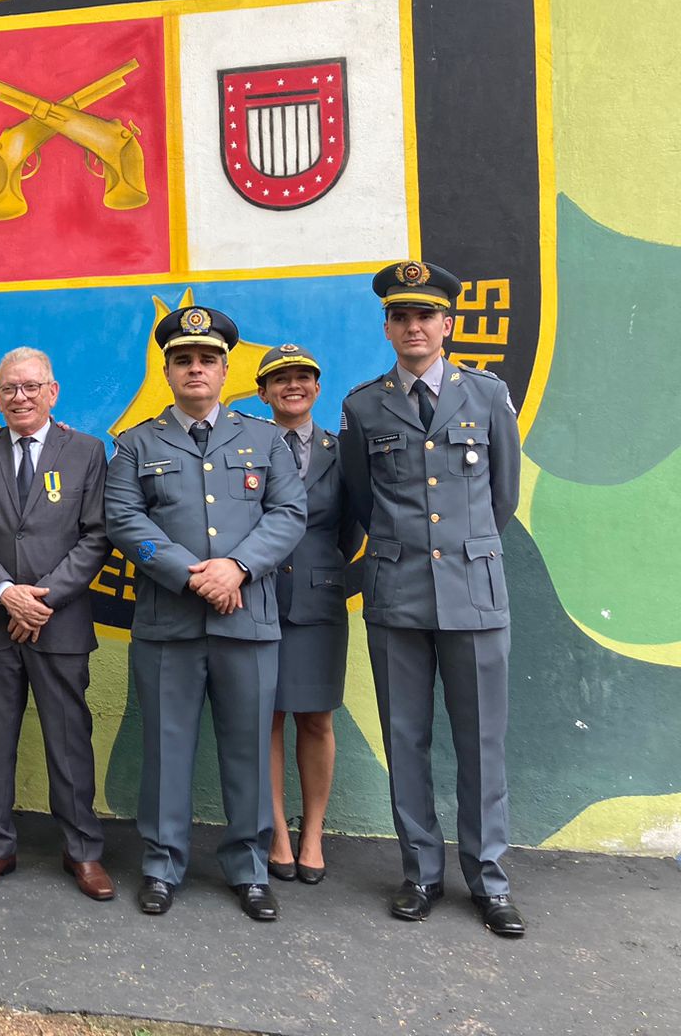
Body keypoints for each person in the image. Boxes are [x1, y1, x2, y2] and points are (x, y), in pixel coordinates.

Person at [338, 260, 525, 937]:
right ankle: (419, 871)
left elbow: (501, 495)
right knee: (406, 740)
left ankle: (489, 879)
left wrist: (464, 551)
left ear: (447, 324)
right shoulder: (364, 406)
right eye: (400, 316)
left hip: (473, 593)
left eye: (426, 316)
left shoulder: (486, 396)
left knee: (482, 745)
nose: (414, 327)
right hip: (398, 594)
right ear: (387, 327)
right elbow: (360, 497)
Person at [103, 306, 306, 921]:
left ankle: (248, 868)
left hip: (247, 621)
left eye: (207, 359)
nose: (196, 368)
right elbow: (123, 520)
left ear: (224, 371)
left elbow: (289, 514)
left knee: (247, 747)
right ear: (167, 371)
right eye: (184, 360)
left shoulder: (265, 438)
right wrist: (195, 575)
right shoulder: (135, 443)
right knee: (166, 749)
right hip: (170, 623)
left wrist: (237, 568)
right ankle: (163, 866)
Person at [0, 347, 113, 901]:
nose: (18, 398)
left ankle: (83, 850)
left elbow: (97, 536)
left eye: (29, 387)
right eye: (7, 389)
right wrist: (6, 594)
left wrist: (41, 600)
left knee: (69, 740)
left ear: (52, 391)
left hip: (59, 623)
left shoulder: (88, 452)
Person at [252, 344, 361, 885]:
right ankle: (276, 833)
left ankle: (312, 833)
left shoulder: (341, 452)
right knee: (265, 719)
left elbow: (351, 530)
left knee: (316, 719)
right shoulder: (247, 448)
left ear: (317, 389)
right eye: (280, 380)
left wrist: (320, 568)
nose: (292, 386)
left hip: (318, 599)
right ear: (262, 393)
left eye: (302, 378)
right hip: (261, 595)